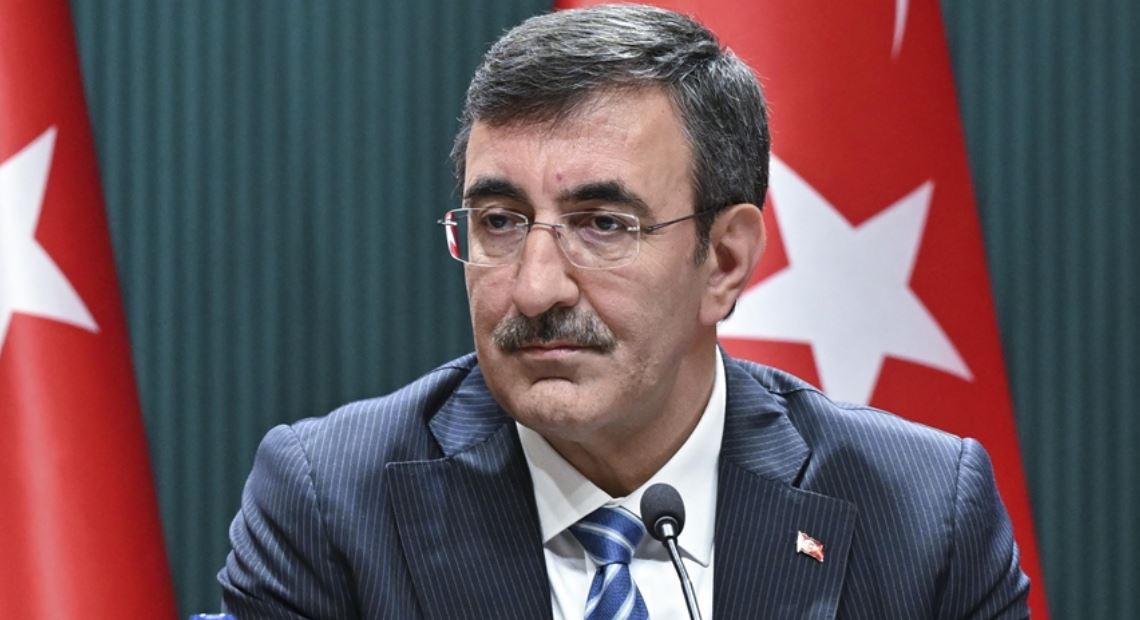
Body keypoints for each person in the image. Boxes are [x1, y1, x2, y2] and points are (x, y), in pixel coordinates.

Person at [218, 5, 1029, 619]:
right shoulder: (331, 503)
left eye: (603, 225)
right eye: (499, 221)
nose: (535, 289)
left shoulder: (921, 517)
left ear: (725, 260)